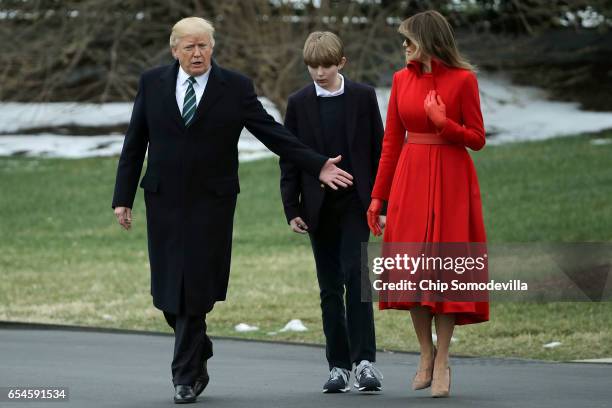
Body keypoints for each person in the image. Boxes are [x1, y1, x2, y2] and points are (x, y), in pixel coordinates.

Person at [112, 17, 354, 404]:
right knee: (168, 292)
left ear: (213, 48)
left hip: (212, 203)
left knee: (195, 288)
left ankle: (185, 378)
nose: (197, 53)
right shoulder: (152, 82)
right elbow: (135, 139)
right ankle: (198, 345)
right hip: (164, 201)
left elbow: (272, 132)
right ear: (174, 50)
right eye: (189, 46)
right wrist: (122, 196)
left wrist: (317, 163)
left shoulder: (234, 87)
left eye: (204, 46)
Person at [366, 10, 489, 398]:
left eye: (408, 40)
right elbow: (390, 143)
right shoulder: (401, 80)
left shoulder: (463, 80)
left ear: (429, 42)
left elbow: (477, 138)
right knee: (412, 270)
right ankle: (425, 352)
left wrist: (443, 123)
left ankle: (443, 359)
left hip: (453, 179)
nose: (403, 47)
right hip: (411, 178)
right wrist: (377, 197)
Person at [279, 31, 385, 393]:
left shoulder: (363, 97)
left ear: (341, 63)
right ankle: (338, 366)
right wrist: (291, 206)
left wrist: (381, 202)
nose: (319, 72)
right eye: (312, 66)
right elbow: (290, 156)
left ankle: (365, 362)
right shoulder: (299, 102)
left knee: (358, 279)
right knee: (329, 289)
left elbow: (378, 149)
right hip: (317, 207)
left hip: (357, 204)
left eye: (326, 65)